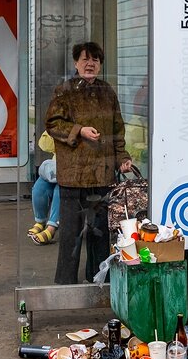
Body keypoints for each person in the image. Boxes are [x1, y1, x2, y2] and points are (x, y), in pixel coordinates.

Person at [43, 42, 133, 283]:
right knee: (71, 234)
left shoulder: (107, 91)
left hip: (102, 174)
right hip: (74, 175)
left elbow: (117, 129)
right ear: (75, 63)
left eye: (95, 60)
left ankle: (98, 280)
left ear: (100, 64)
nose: (90, 64)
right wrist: (79, 130)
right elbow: (52, 124)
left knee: (100, 234)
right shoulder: (65, 90)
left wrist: (122, 158)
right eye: (84, 59)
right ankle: (65, 284)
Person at [29, 157, 60, 245]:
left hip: (79, 167)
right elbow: (45, 146)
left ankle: (52, 227)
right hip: (58, 165)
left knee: (60, 191)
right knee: (39, 188)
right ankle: (40, 221)